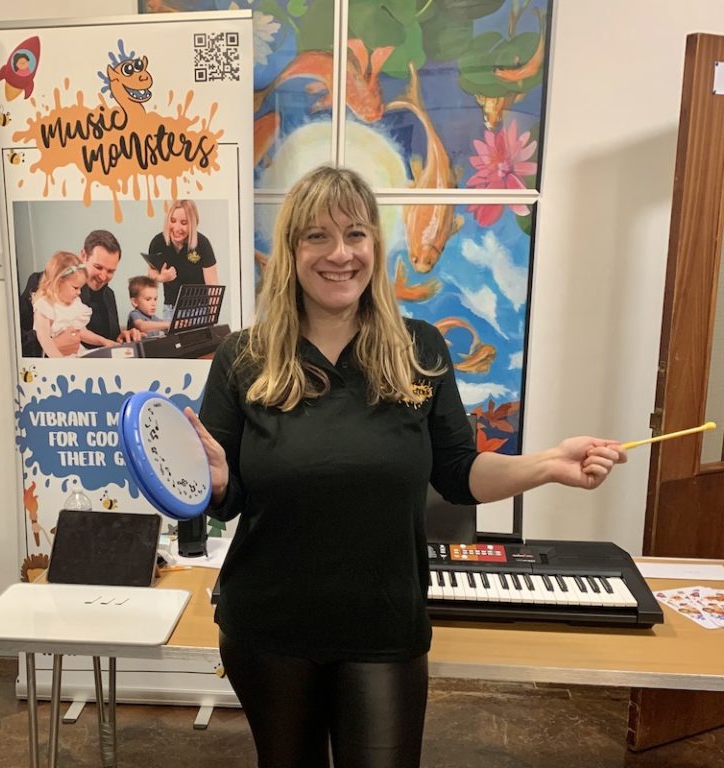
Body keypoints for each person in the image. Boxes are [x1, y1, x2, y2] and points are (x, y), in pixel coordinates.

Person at [184, 165, 627, 768]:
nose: (340, 254)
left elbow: (458, 473)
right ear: (291, 251)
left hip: (384, 624)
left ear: (375, 246)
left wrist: (549, 464)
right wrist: (210, 483)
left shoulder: (418, 348)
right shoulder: (245, 356)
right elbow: (228, 497)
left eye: (356, 234)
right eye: (317, 236)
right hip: (269, 627)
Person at [19, 230, 141, 357]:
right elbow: (13, 336)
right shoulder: (43, 284)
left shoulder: (108, 295)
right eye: (98, 267)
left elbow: (104, 342)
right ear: (83, 255)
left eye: (110, 271)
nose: (103, 277)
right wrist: (51, 346)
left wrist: (122, 337)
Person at [31, 251, 118, 358]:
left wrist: (103, 341)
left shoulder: (74, 303)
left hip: (76, 355)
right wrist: (60, 361)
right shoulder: (45, 306)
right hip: (56, 358)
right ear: (58, 282)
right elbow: (44, 339)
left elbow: (81, 332)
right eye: (75, 288)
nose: (79, 292)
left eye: (81, 288)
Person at [145, 199, 219, 320]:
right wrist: (162, 278)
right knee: (173, 339)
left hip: (200, 309)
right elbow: (151, 274)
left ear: (193, 224)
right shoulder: (158, 243)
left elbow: (212, 285)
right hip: (171, 309)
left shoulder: (203, 244)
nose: (177, 228)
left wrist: (212, 318)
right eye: (173, 221)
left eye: (184, 223)